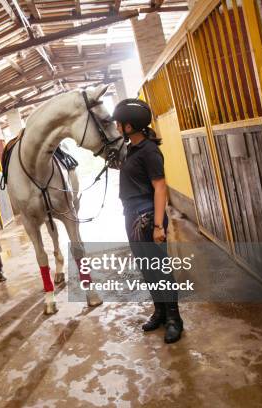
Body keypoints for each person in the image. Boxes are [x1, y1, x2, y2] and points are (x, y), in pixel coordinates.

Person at [112, 98, 184, 344]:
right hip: (132, 215)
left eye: (119, 124)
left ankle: (175, 319)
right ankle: (160, 312)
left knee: (160, 269)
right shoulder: (132, 149)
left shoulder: (150, 151)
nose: (116, 128)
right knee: (147, 268)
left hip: (148, 216)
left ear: (129, 126)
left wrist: (157, 226)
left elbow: (160, 187)